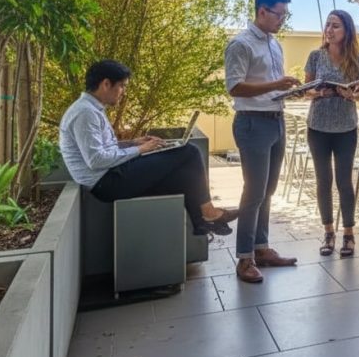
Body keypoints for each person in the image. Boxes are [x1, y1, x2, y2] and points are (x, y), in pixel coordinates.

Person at [59, 59, 238, 236]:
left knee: (181, 176)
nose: (123, 92)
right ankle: (209, 213)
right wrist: (141, 150)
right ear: (106, 84)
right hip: (106, 182)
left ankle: (202, 224)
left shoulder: (91, 108)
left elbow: (103, 149)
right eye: (122, 86)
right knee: (189, 152)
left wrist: (134, 143)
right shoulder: (85, 113)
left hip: (109, 176)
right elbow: (96, 160)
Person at [224, 0, 302, 283]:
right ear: (262, 11)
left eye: (285, 15)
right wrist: (275, 85)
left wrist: (291, 91)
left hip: (276, 120)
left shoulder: (274, 45)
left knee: (268, 191)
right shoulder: (240, 44)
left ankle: (261, 248)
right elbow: (234, 87)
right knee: (254, 192)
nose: (282, 20)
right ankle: (244, 259)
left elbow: (273, 86)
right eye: (279, 14)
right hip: (252, 123)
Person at [304, 9, 359, 258]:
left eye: (335, 26)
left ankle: (349, 234)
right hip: (318, 127)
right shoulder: (315, 56)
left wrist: (350, 94)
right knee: (323, 181)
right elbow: (306, 90)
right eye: (328, 25)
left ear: (347, 31)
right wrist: (321, 93)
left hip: (346, 128)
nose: (329, 30)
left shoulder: (358, 59)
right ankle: (328, 232)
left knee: (344, 182)